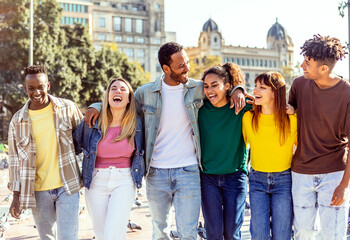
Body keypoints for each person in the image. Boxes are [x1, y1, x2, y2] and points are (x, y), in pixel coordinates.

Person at [84, 42, 246, 240]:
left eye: (187, 62)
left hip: (188, 171)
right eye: (181, 65)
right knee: (159, 232)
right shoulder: (145, 93)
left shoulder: (197, 88)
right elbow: (118, 104)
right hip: (156, 172)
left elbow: (222, 89)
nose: (187, 68)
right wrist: (96, 106)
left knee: (188, 234)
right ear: (166, 68)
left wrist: (238, 89)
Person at [289, 35, 350, 239]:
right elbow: (289, 119)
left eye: (307, 63)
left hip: (334, 174)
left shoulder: (348, 95)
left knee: (334, 235)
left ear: (323, 68)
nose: (302, 65)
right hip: (301, 173)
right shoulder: (298, 85)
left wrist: (344, 185)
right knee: (303, 233)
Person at [7, 65, 83, 240]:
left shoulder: (67, 108)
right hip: (37, 191)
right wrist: (16, 196)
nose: (36, 92)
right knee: (46, 237)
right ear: (25, 88)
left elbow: (86, 136)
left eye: (40, 87)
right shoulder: (17, 121)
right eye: (31, 88)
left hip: (67, 185)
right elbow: (14, 161)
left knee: (68, 237)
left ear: (48, 85)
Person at [73, 78, 144, 240]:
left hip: (124, 180)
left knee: (114, 233)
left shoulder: (137, 123)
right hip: (95, 180)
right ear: (107, 95)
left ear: (129, 98)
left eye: (122, 89)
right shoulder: (92, 122)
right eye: (113, 88)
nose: (117, 91)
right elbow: (74, 145)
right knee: (101, 233)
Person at [198, 63, 252, 240]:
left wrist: (240, 90)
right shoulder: (200, 109)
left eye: (215, 85)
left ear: (227, 86)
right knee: (213, 234)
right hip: (208, 178)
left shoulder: (240, 106)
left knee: (232, 234)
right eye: (206, 86)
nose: (209, 90)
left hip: (235, 178)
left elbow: (265, 101)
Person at [242, 72, 297, 240]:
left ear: (275, 93)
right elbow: (242, 149)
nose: (255, 90)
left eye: (262, 87)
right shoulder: (248, 118)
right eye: (256, 86)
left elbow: (302, 149)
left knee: (282, 235)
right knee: (259, 235)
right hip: (257, 180)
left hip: (284, 181)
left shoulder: (291, 120)